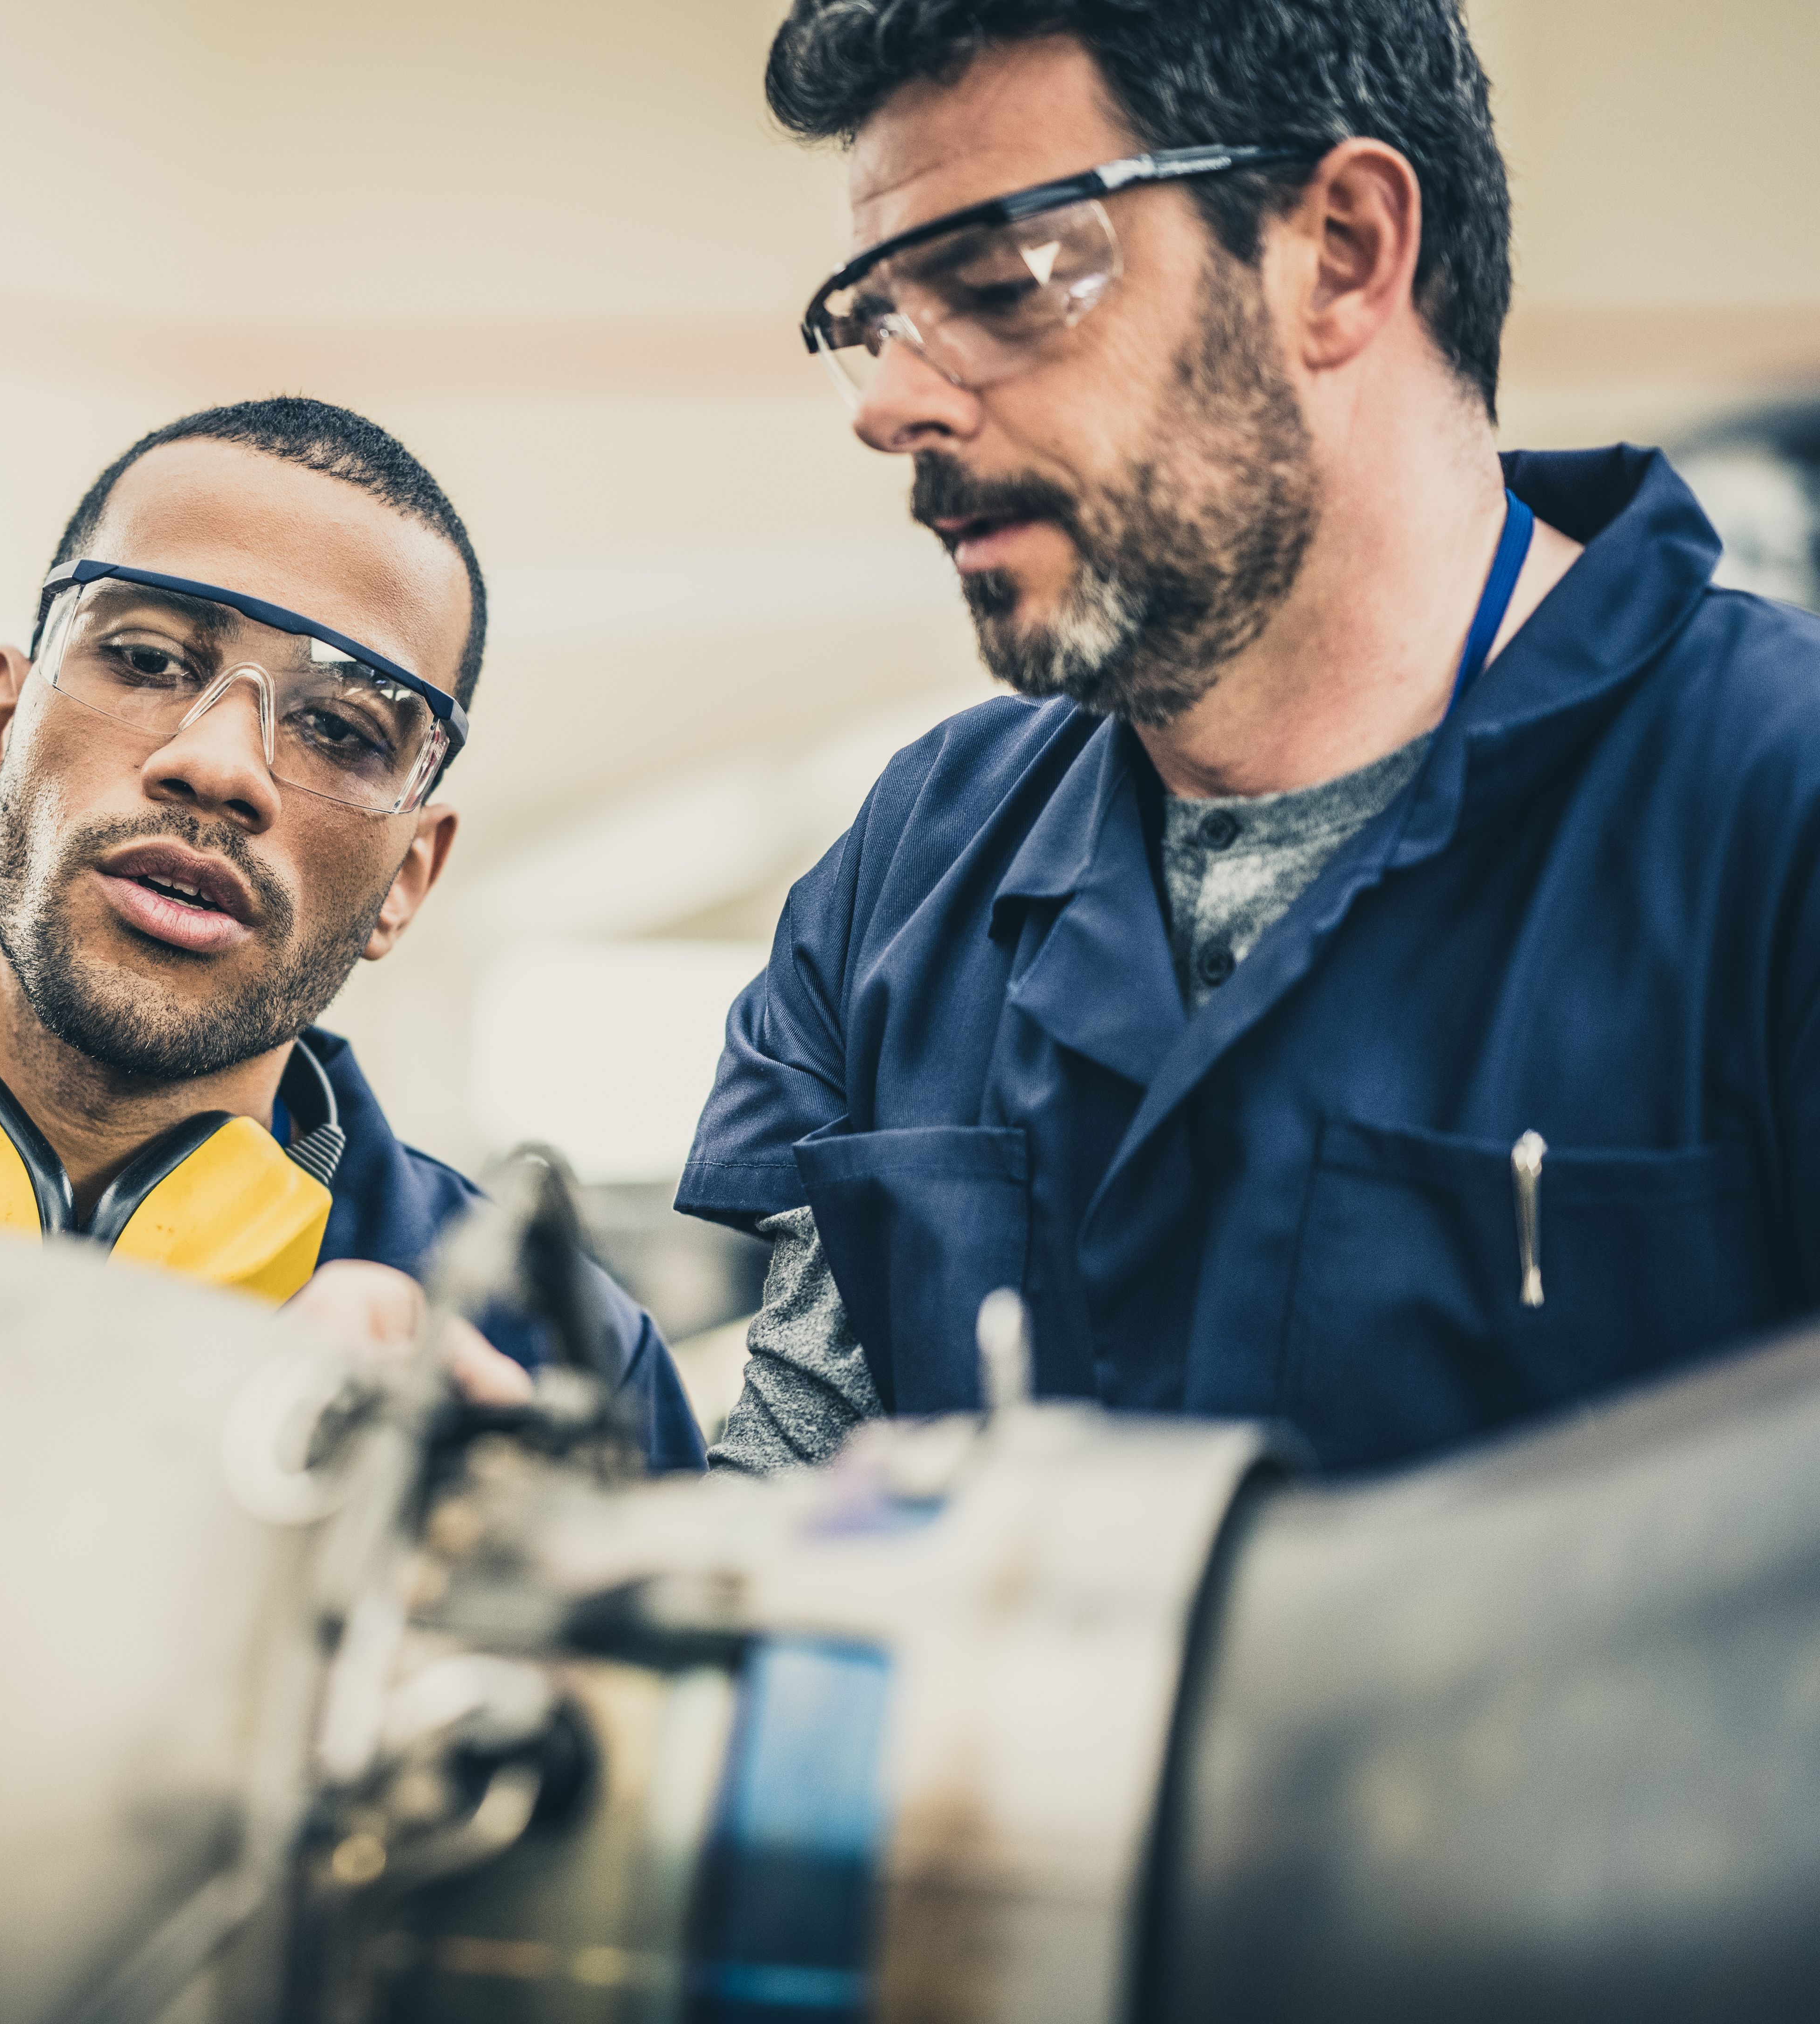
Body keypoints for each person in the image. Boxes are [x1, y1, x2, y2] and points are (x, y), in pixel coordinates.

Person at [683, 0, 1820, 1476]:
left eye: (1001, 283)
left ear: (1341, 252)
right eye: (876, 322)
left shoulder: (1774, 812)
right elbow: (779, 1544)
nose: (894, 404)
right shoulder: (913, 871)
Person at [0, 397, 706, 1472]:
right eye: (150, 660)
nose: (221, 767)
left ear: (406, 882)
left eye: (342, 728)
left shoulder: (551, 1370)